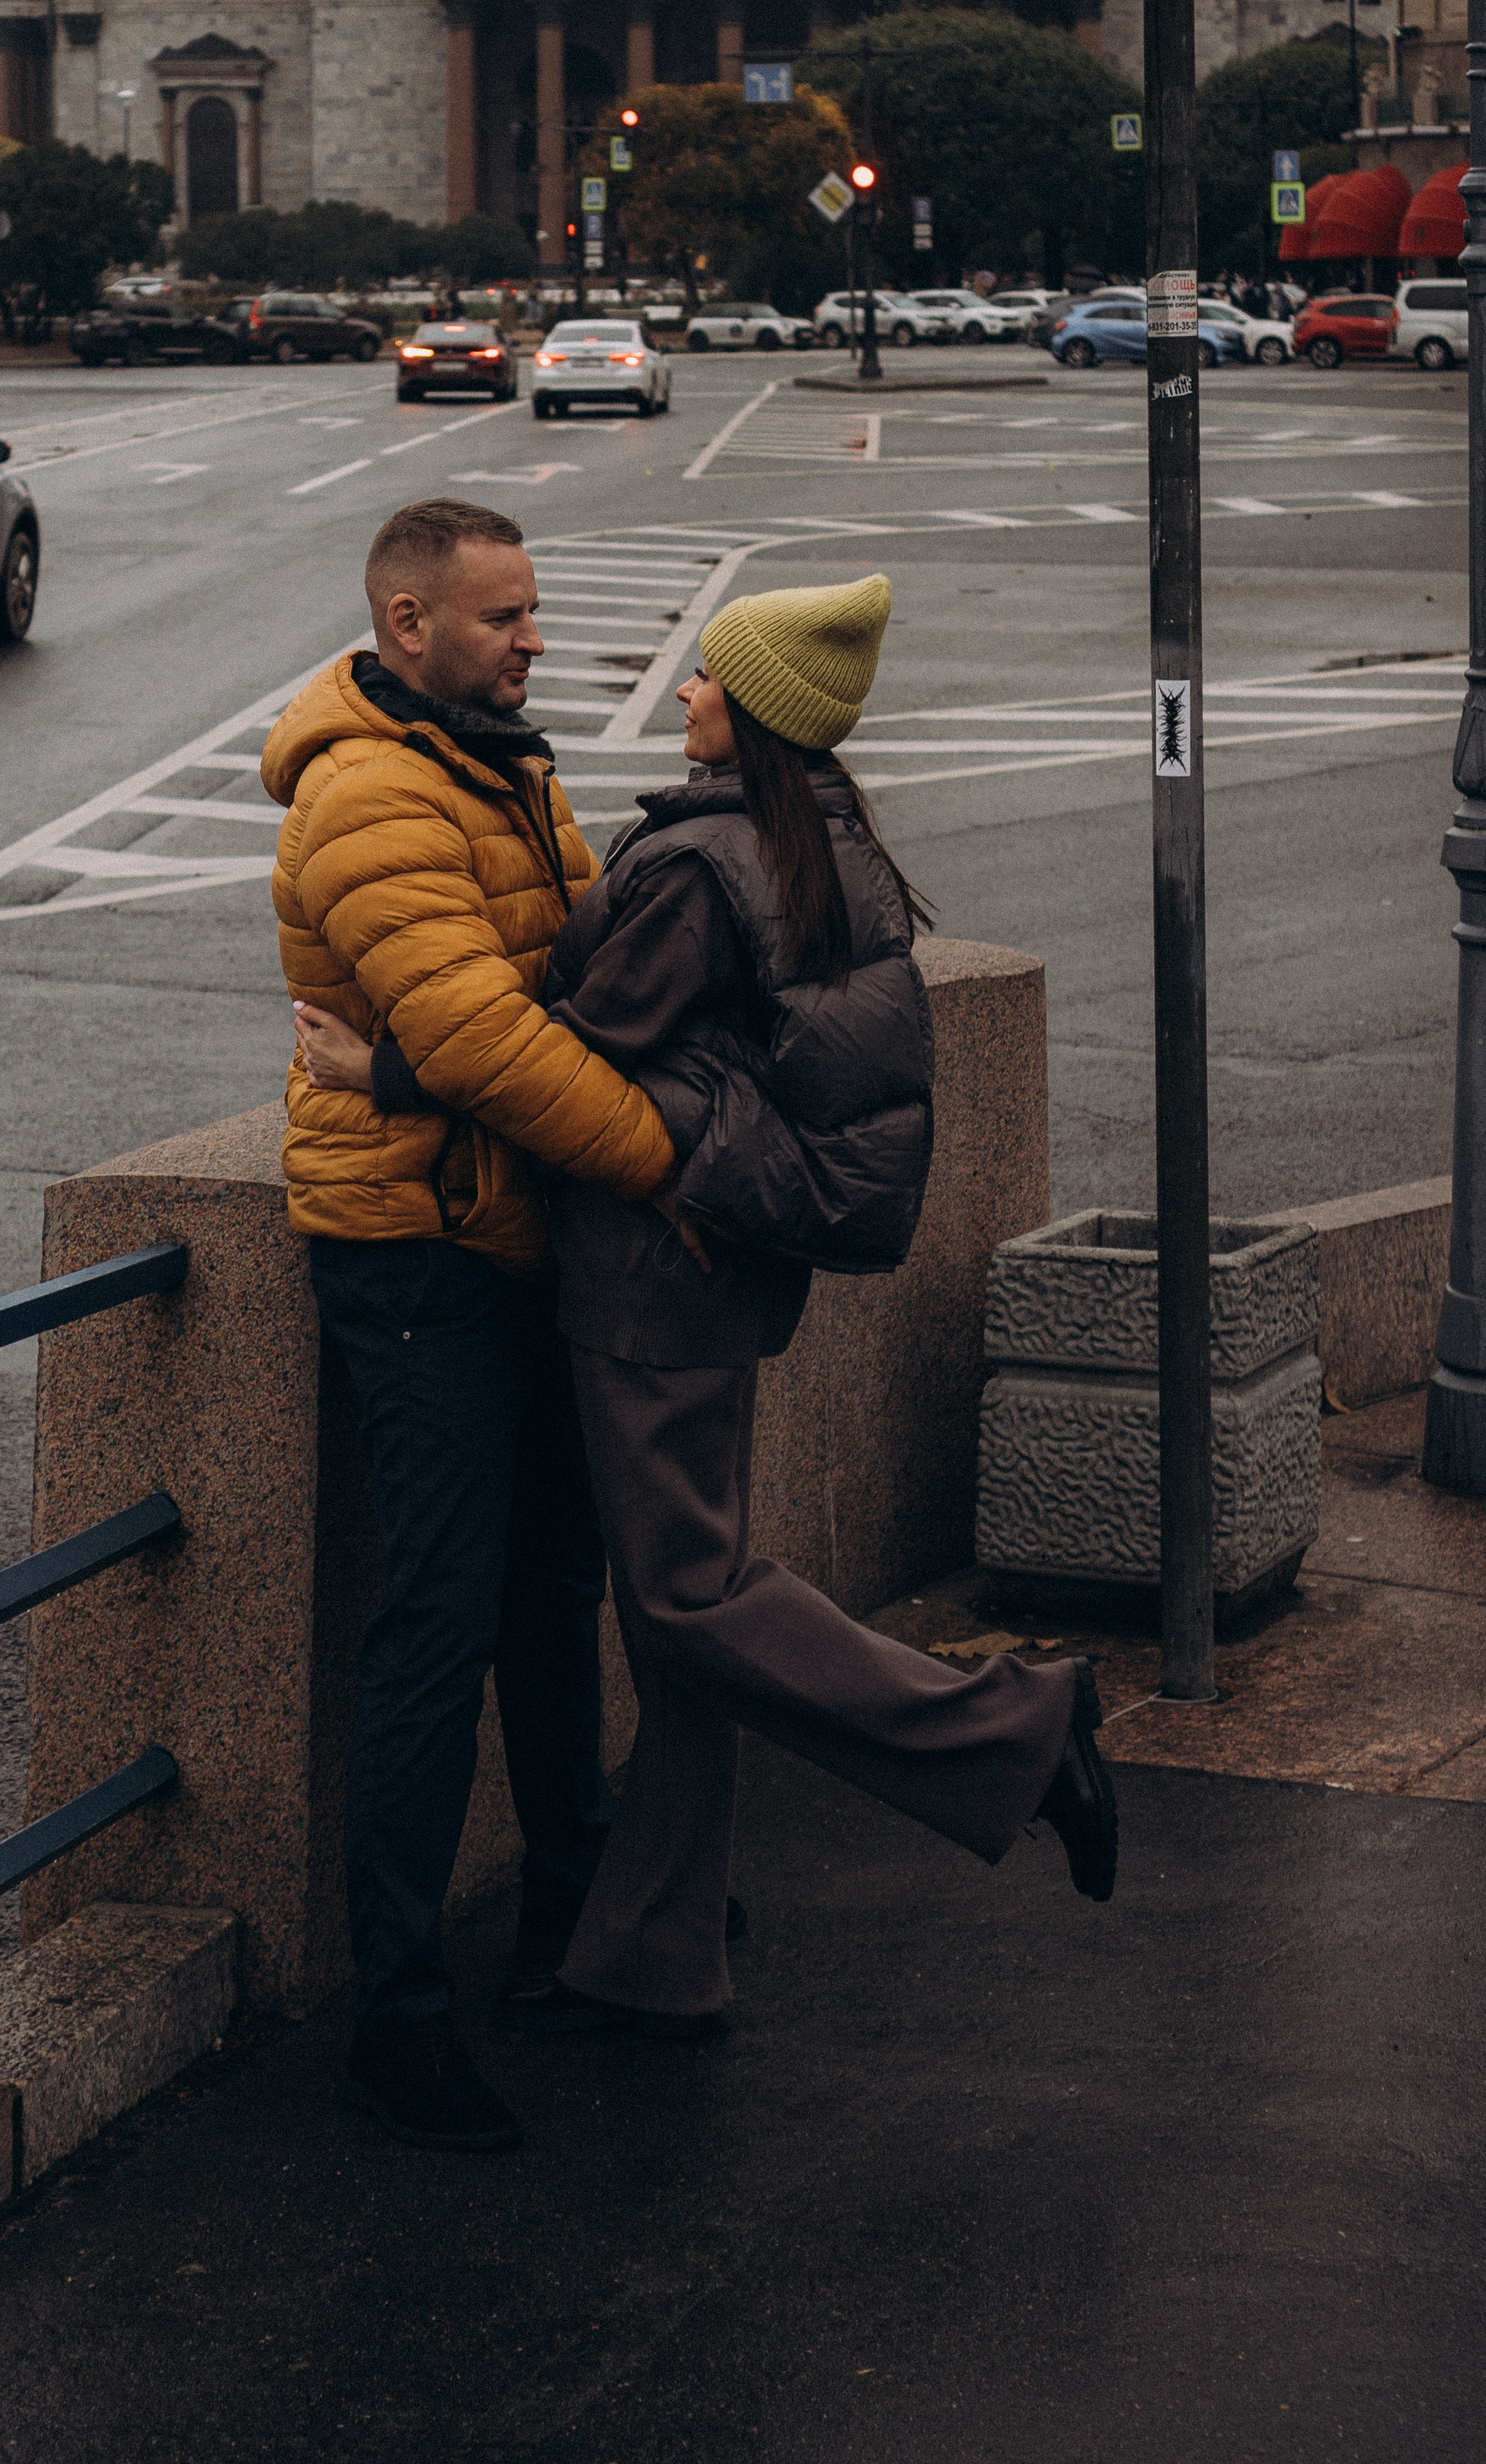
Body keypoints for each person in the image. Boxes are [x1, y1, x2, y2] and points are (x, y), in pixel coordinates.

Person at [298, 573, 1118, 2044]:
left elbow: (568, 1053)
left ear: (751, 714)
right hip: (725, 1264)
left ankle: (1019, 1732)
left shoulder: (693, 868)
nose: (677, 695)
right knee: (687, 1614)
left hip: (648, 1271)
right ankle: (655, 1948)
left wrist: (390, 1075)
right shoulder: (820, 842)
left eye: (701, 681)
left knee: (689, 1602)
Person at [261, 495, 676, 2154]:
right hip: (416, 1255)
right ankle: (398, 2014)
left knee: (549, 1589)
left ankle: (571, 1919)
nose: (533, 639)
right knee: (435, 1626)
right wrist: (670, 1166)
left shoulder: (495, 760)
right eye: (503, 617)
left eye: (530, 610)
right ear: (409, 625)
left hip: (511, 1234)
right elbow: (500, 1047)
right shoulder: (369, 793)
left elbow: (563, 984)